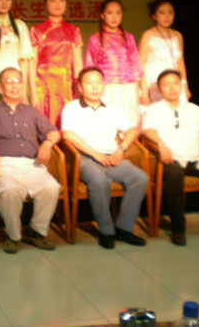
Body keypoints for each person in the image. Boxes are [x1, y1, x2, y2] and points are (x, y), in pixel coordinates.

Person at [0, 67, 60, 254]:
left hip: (32, 164)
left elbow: (53, 132)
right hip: (4, 164)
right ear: (0, 88)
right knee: (10, 191)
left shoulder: (32, 112)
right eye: (9, 82)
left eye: (18, 81)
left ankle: (36, 231)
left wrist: (47, 143)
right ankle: (14, 236)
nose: (14, 86)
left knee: (51, 187)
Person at [143, 69, 199, 246]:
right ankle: (178, 228)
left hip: (195, 160)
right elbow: (147, 131)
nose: (172, 88)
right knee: (174, 174)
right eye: (166, 85)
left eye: (175, 83)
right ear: (160, 89)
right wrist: (161, 144)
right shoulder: (154, 110)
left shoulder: (194, 109)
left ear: (181, 86)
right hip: (171, 160)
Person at [61, 67, 149, 249]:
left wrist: (121, 150)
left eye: (98, 82)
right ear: (80, 87)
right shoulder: (72, 108)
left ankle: (124, 228)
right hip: (85, 158)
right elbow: (68, 135)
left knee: (140, 178)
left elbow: (132, 130)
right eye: (89, 83)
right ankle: (106, 231)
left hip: (111, 157)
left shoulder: (112, 109)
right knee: (99, 180)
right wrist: (95, 154)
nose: (95, 87)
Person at [29, 0, 84, 127]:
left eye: (61, 0)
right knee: (44, 127)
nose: (57, 4)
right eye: (53, 0)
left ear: (66, 3)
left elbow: (78, 64)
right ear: (45, 4)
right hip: (43, 87)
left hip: (67, 87)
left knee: (67, 126)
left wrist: (79, 91)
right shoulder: (36, 30)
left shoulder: (74, 30)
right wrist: (33, 93)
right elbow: (32, 64)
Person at [85, 0, 142, 125]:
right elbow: (89, 66)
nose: (114, 17)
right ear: (102, 15)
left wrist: (139, 91)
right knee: (108, 122)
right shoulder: (95, 39)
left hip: (128, 87)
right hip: (106, 88)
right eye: (110, 13)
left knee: (129, 122)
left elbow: (136, 65)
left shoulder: (129, 37)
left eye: (118, 13)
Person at [139, 0, 191, 104]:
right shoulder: (148, 35)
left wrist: (185, 85)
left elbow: (180, 62)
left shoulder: (178, 35)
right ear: (154, 16)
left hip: (174, 78)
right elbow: (140, 64)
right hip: (154, 80)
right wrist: (143, 91)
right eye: (162, 13)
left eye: (170, 12)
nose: (167, 16)